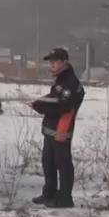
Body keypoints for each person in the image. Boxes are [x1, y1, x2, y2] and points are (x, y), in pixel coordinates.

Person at [30, 47, 85, 208]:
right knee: (48, 162)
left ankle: (65, 198)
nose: (51, 65)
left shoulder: (70, 81)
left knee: (63, 163)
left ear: (64, 62)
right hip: (51, 128)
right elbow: (53, 99)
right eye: (50, 62)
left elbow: (63, 105)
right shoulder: (60, 79)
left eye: (55, 62)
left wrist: (40, 106)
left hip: (62, 128)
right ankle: (49, 193)